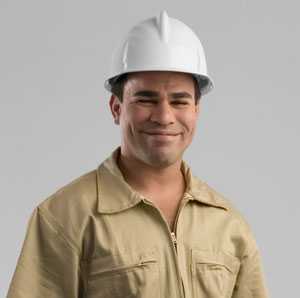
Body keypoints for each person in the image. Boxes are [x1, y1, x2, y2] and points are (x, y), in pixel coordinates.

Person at [7, 11, 269, 298]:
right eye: (146, 99)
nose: (164, 116)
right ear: (116, 108)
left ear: (196, 111)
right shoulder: (64, 218)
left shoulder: (228, 225)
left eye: (180, 101)